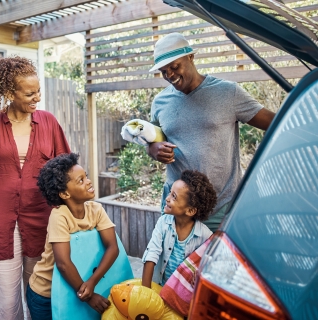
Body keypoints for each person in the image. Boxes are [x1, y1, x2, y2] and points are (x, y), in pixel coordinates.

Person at [0, 56, 71, 320]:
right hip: (1, 223)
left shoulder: (48, 122)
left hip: (41, 220)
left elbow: (64, 167)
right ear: (10, 93)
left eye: (38, 91)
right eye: (30, 93)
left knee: (38, 297)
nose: (37, 98)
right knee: (7, 306)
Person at [147, 32, 276, 232]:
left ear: (191, 57)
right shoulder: (160, 103)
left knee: (221, 263)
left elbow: (274, 122)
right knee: (175, 263)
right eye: (164, 71)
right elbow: (152, 141)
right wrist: (153, 149)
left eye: (174, 67)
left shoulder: (228, 93)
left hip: (221, 206)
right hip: (177, 206)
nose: (170, 75)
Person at [26, 153, 119, 319]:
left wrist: (91, 284)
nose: (88, 181)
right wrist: (88, 296)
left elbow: (112, 247)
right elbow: (63, 263)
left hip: (80, 288)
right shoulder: (59, 216)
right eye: (81, 180)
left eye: (86, 176)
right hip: (46, 293)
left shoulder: (96, 210)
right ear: (65, 194)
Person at [142, 170, 216, 287]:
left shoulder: (205, 236)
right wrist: (145, 291)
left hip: (183, 297)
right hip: (160, 287)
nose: (167, 198)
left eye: (174, 197)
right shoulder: (163, 223)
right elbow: (152, 253)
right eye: (170, 193)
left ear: (190, 210)